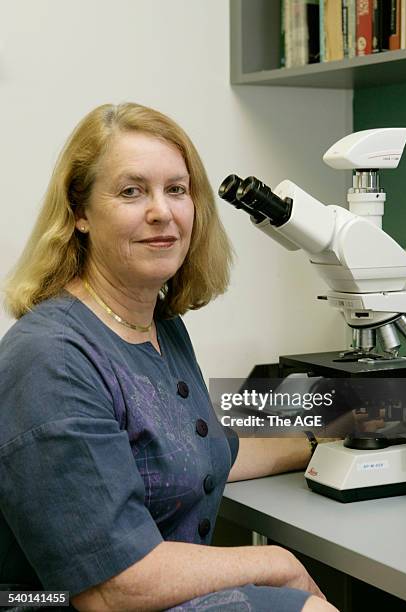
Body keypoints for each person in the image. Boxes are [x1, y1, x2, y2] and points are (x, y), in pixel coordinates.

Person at [0, 103, 339, 612]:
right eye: (132, 191)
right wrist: (276, 563)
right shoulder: (52, 358)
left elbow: (198, 448)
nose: (162, 211)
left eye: (176, 189)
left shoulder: (160, 326)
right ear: (81, 213)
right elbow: (111, 588)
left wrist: (324, 441)